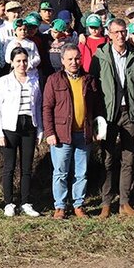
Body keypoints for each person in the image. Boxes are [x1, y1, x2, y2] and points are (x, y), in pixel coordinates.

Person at [90, 18, 134, 218]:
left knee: (128, 159)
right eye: (116, 32)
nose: (120, 35)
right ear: (109, 34)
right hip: (108, 115)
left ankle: (124, 202)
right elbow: (93, 86)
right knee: (107, 159)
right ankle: (106, 203)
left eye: (123, 31)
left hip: (129, 113)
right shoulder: (100, 56)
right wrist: (97, 115)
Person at [42, 44, 100, 219]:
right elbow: (47, 108)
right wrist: (49, 132)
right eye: (70, 59)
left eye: (77, 58)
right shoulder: (54, 80)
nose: (74, 62)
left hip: (84, 133)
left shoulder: (89, 80)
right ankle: (60, 206)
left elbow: (96, 106)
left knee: (81, 172)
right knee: (60, 172)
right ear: (62, 61)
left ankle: (78, 205)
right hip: (61, 134)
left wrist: (96, 128)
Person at [0, 47, 43, 218]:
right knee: (9, 167)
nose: (22, 64)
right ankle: (8, 203)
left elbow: (37, 107)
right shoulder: (4, 81)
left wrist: (40, 129)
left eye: (25, 61)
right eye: (18, 61)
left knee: (27, 167)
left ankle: (26, 202)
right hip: (10, 128)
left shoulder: (34, 80)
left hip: (29, 127)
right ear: (12, 62)